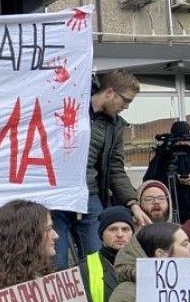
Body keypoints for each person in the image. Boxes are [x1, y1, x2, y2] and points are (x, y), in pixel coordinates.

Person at [51, 70, 149, 269]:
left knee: (98, 261)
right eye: (125, 101)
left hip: (90, 195)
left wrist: (133, 203)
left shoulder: (115, 126)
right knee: (55, 263)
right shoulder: (67, 107)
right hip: (56, 196)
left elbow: (115, 169)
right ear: (109, 93)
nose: (126, 107)